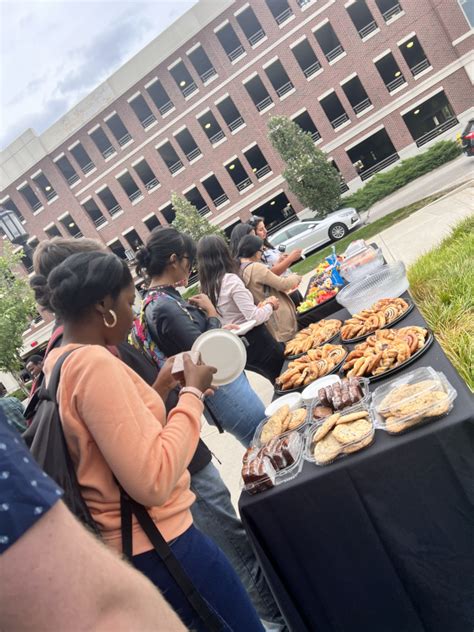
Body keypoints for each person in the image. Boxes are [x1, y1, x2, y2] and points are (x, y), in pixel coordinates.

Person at [30, 237, 286, 631]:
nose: (133, 313)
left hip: (143, 549)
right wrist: (193, 395)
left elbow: (117, 440)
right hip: (163, 547)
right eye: (128, 301)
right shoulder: (93, 364)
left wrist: (163, 386)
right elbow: (152, 479)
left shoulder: (60, 361)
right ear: (102, 305)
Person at [0, 409, 186, 631]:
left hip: (132, 542)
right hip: (164, 537)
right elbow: (99, 614)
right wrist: (192, 399)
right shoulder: (85, 372)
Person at [134, 226, 266, 447]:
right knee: (264, 440)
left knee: (262, 439)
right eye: (189, 259)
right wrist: (212, 314)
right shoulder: (163, 306)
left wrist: (219, 329)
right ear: (174, 259)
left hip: (223, 386)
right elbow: (203, 353)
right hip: (222, 391)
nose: (191, 265)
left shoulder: (162, 299)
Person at [197, 234, 284, 383]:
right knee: (284, 375)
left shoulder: (204, 287)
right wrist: (270, 305)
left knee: (275, 380)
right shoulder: (230, 280)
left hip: (238, 344)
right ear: (224, 253)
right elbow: (254, 317)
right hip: (257, 340)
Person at [239, 235, 301, 343]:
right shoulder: (255, 267)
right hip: (279, 317)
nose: (261, 254)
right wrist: (296, 277)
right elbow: (284, 284)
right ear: (254, 251)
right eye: (261, 250)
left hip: (270, 319)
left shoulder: (241, 269)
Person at [248, 215, 303, 306]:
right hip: (283, 292)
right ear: (253, 234)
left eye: (264, 227)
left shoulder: (266, 245)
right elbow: (269, 274)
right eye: (261, 230)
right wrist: (290, 259)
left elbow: (273, 266)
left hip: (291, 286)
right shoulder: (256, 253)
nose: (265, 231)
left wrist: (281, 260)